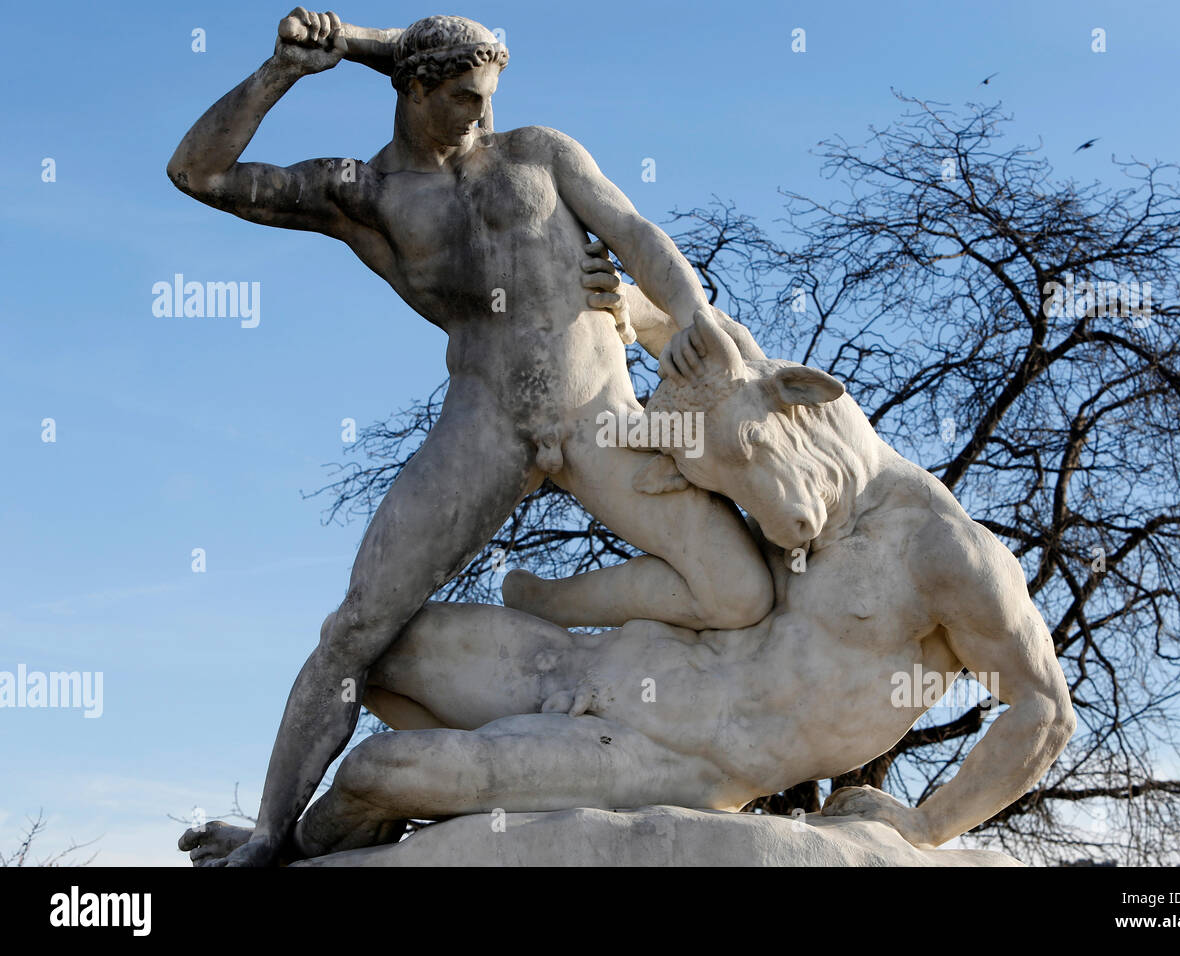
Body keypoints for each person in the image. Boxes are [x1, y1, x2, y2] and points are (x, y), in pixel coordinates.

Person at [167, 9, 772, 866]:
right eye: (461, 98)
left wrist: (692, 314)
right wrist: (284, 72)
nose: (480, 114)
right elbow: (198, 172)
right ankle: (271, 834)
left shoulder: (538, 152)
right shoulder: (363, 193)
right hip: (485, 425)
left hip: (599, 414)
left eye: (488, 95)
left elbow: (634, 233)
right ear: (414, 90)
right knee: (355, 631)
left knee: (739, 592)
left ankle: (569, 633)